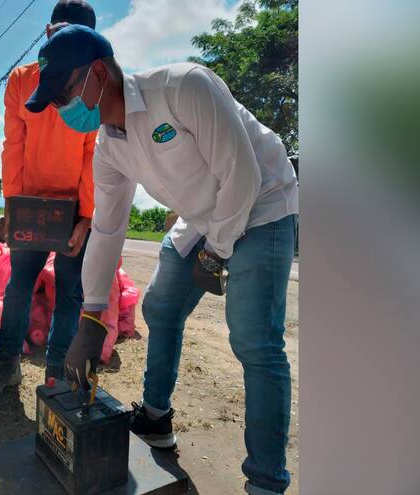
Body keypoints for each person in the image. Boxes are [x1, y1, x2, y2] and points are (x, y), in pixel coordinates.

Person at [23, 25, 299, 495]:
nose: (59, 108)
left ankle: (266, 482)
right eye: (51, 102)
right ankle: (155, 419)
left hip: (262, 203)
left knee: (255, 340)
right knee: (161, 307)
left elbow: (242, 174)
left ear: (96, 73)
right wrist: (91, 316)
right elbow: (109, 230)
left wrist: (215, 253)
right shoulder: (110, 150)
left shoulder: (182, 88)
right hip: (200, 217)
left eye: (62, 93)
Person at [0, 1, 99, 404]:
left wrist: (87, 217)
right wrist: (12, 206)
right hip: (31, 204)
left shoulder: (94, 86)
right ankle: (6, 366)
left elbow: (95, 152)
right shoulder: (22, 81)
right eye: (59, 35)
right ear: (46, 33)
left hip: (76, 208)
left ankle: (58, 372)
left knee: (71, 292)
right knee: (20, 283)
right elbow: (14, 148)